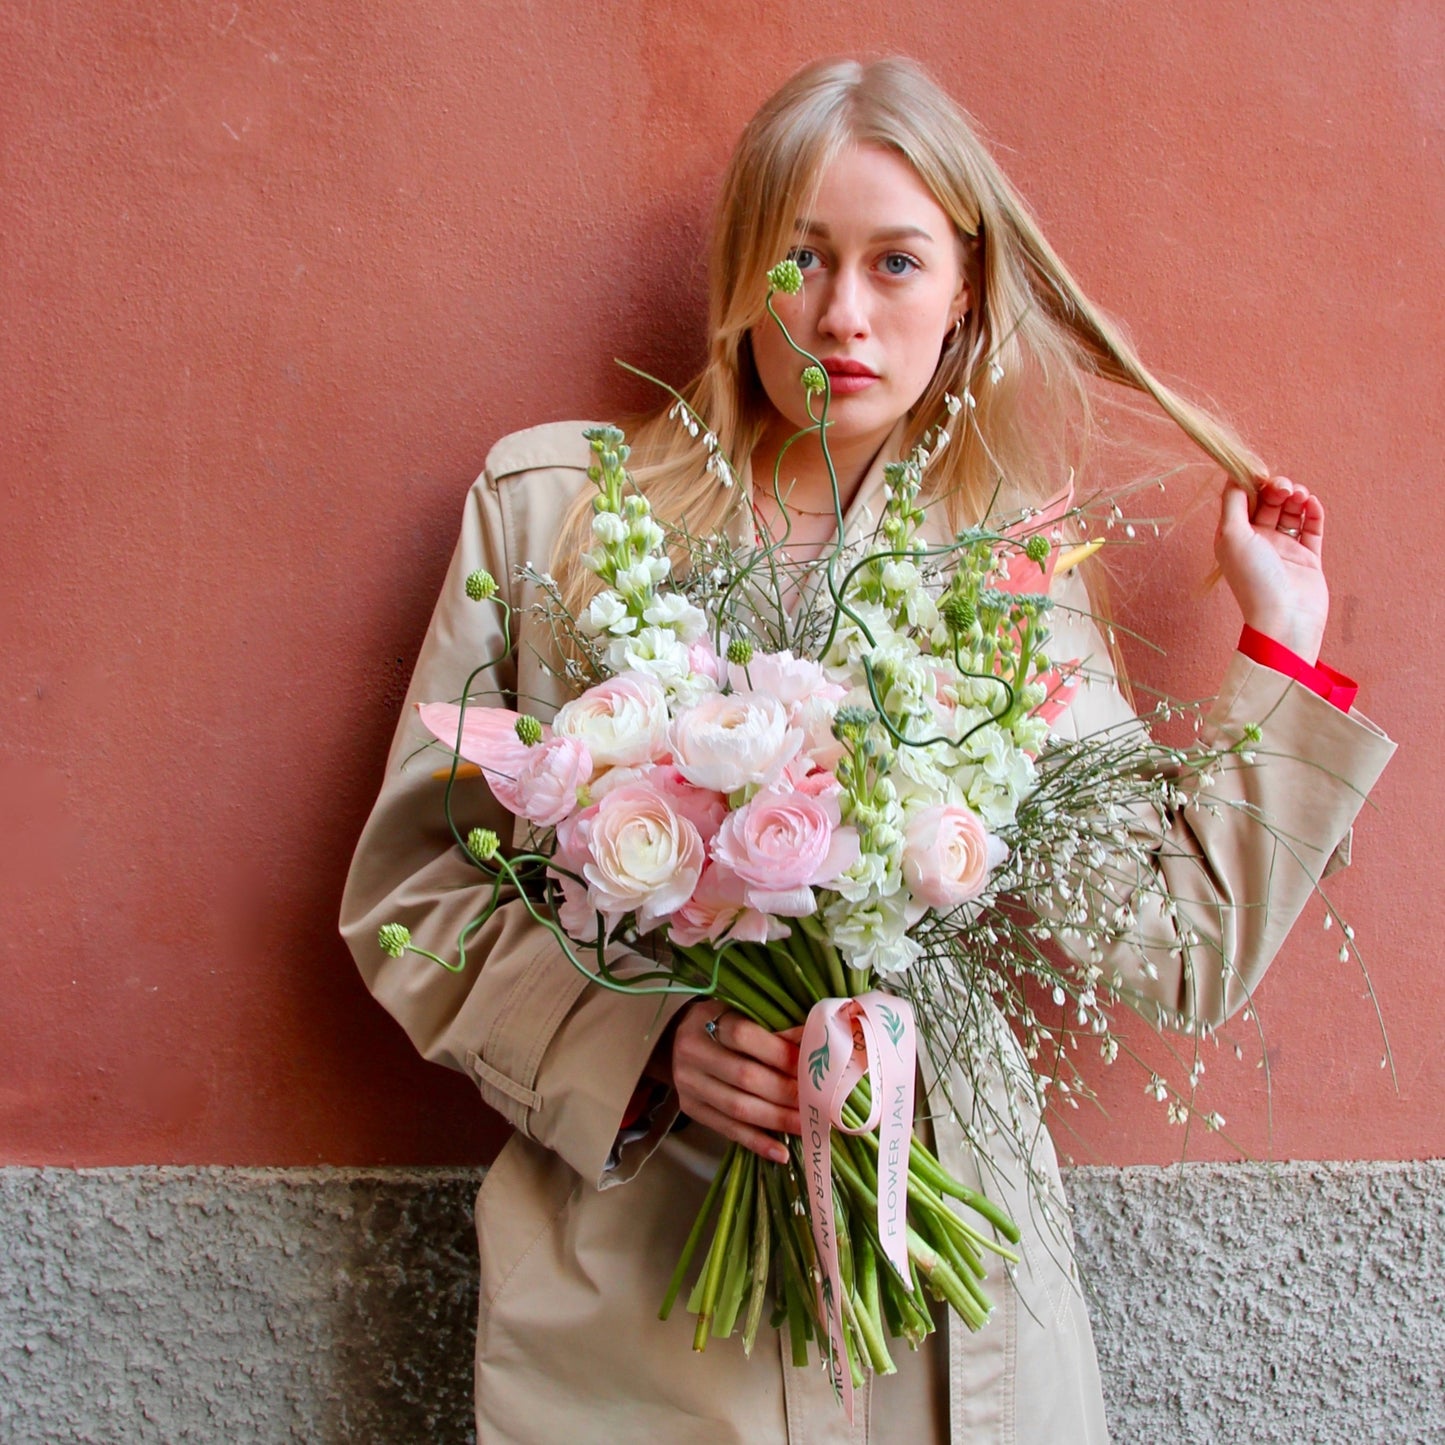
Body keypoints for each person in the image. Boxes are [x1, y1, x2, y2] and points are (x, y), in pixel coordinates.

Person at [339, 56, 1394, 1444]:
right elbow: (413, 897)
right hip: (638, 1299)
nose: (840, 314)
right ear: (737, 275)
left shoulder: (1010, 569)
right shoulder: (559, 514)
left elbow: (1170, 945)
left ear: (963, 292)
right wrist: (646, 1044)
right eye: (798, 258)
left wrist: (1284, 647)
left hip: (950, 1324)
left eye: (894, 263)